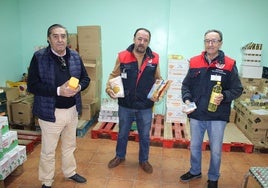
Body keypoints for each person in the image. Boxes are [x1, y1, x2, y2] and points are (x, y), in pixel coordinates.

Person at [27, 24, 90, 188]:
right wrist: (58, 90)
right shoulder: (39, 57)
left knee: (70, 145)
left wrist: (79, 87)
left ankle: (70, 172)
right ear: (49, 38)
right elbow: (32, 86)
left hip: (72, 110)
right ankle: (46, 181)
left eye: (63, 36)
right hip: (50, 113)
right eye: (55, 36)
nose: (60, 40)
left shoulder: (75, 56)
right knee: (48, 150)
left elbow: (85, 78)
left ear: (67, 38)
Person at [180, 29, 243, 188]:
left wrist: (225, 96)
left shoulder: (229, 64)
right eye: (207, 40)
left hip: (217, 116)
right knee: (194, 146)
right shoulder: (194, 61)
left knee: (215, 150)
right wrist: (187, 99)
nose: (210, 44)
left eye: (214, 41)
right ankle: (195, 171)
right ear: (204, 42)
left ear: (220, 43)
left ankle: (213, 177)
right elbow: (186, 85)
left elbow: (237, 89)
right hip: (196, 114)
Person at [106, 28, 162, 174]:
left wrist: (158, 93)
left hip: (145, 105)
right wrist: (109, 89)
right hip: (126, 104)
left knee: (144, 135)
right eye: (139, 38)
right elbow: (113, 75)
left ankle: (144, 160)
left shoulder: (154, 58)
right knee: (123, 133)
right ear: (134, 39)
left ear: (148, 42)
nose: (142, 42)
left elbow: (158, 79)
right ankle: (119, 156)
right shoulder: (122, 56)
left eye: (145, 40)